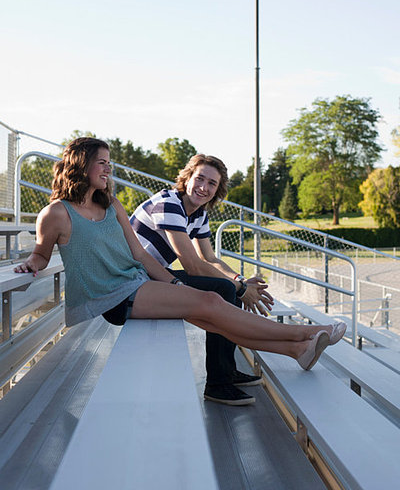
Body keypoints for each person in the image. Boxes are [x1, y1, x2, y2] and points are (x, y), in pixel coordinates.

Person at [14, 138, 346, 394]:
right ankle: (306, 332)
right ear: (80, 164)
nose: (108, 170)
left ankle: (297, 349)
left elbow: (142, 257)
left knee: (216, 319)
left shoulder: (111, 203)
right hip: (110, 296)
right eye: (101, 163)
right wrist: (32, 261)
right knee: (214, 301)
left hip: (137, 282)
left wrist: (175, 286)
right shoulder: (56, 213)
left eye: (109, 164)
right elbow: (42, 253)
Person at [130, 154, 276, 406]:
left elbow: (209, 258)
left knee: (225, 288)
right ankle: (218, 384)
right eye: (200, 179)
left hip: (153, 276)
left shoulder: (198, 214)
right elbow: (192, 265)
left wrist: (239, 280)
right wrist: (240, 289)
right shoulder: (169, 203)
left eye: (212, 183)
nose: (204, 188)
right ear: (187, 178)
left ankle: (225, 371)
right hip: (135, 280)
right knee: (222, 289)